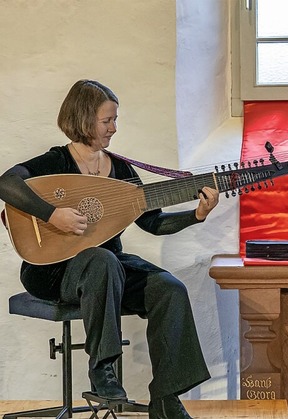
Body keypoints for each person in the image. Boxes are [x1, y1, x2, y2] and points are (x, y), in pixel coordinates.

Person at [0, 79, 220, 419]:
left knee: (168, 288)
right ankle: (102, 370)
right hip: (54, 271)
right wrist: (52, 214)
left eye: (115, 119)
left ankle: (165, 399)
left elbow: (153, 222)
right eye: (107, 120)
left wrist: (196, 214)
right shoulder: (55, 161)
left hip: (108, 270)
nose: (114, 128)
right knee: (102, 259)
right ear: (85, 119)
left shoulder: (119, 169)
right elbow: (6, 183)